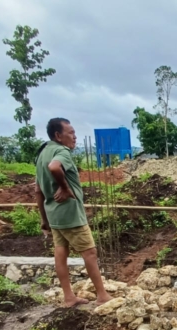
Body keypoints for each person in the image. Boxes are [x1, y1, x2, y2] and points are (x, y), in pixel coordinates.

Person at [35, 118, 113, 308]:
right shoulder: (61, 151)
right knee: (90, 252)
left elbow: (38, 190)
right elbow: (54, 167)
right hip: (70, 214)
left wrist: (44, 220)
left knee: (61, 252)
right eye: (71, 133)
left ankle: (69, 297)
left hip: (53, 215)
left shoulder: (42, 153)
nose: (75, 137)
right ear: (58, 136)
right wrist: (65, 187)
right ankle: (102, 295)